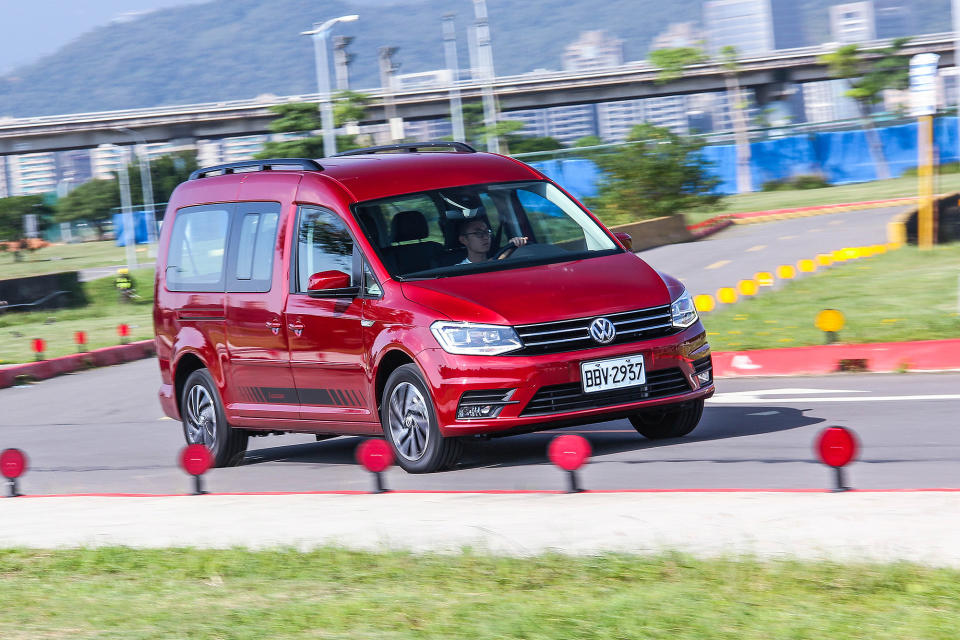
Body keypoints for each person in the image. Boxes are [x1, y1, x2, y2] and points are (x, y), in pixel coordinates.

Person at [458, 218, 527, 265]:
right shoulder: (458, 271)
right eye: (478, 233)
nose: (486, 237)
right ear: (463, 240)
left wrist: (515, 243)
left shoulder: (502, 261)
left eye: (487, 232)